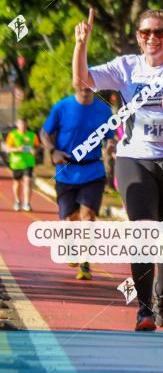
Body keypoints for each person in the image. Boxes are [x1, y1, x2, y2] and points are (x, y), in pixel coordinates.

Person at [72, 7, 163, 331]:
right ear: (138, 38)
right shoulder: (125, 66)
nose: (152, 38)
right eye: (146, 33)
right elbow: (82, 79)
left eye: (159, 32)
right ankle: (143, 309)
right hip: (134, 158)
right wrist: (81, 44)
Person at [40, 84, 115, 280]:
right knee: (70, 219)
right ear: (75, 83)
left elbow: (110, 137)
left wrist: (110, 145)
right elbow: (44, 133)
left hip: (93, 171)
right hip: (66, 171)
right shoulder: (61, 107)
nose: (85, 87)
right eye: (81, 82)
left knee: (88, 217)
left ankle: (85, 262)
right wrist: (52, 151)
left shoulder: (103, 109)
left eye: (89, 83)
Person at [4, 118, 39, 212]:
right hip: (16, 163)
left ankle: (27, 203)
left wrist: (34, 151)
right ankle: (17, 201)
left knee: (28, 180)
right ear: (17, 125)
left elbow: (37, 147)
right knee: (17, 183)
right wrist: (17, 149)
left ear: (26, 125)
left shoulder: (32, 135)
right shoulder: (13, 135)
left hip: (29, 162)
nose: (23, 126)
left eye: (24, 124)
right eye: (21, 124)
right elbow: (7, 148)